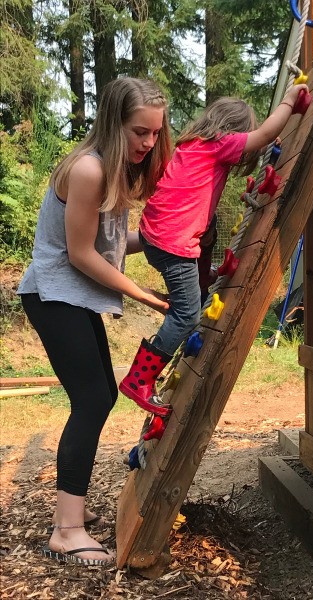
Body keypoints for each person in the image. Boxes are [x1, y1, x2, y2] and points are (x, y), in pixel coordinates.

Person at [17, 77, 172, 566]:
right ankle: (66, 530)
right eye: (138, 132)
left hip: (72, 296)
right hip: (51, 293)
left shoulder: (114, 170)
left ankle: (72, 514)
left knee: (100, 396)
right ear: (113, 123)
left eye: (154, 133)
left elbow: (108, 243)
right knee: (90, 399)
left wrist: (155, 236)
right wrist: (145, 296)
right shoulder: (87, 170)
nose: (148, 144)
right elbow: (82, 255)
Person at [119, 83, 309, 416]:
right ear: (232, 133)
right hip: (173, 245)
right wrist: (289, 102)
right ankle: (139, 380)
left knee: (199, 280)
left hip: (154, 236)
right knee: (187, 313)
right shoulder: (219, 145)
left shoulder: (190, 146)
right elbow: (262, 134)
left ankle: (165, 355)